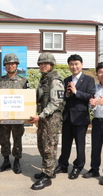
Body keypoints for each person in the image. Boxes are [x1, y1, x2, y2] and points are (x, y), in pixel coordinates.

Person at [55, 54, 95, 179]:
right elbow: (64, 98)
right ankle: (63, 165)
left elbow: (90, 96)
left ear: (81, 65)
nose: (74, 66)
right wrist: (67, 94)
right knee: (65, 143)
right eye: (71, 64)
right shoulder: (66, 80)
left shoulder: (89, 80)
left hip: (80, 118)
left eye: (76, 64)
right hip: (67, 117)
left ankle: (78, 167)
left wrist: (76, 92)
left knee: (80, 145)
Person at [29, 52, 65, 190]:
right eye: (41, 64)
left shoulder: (55, 81)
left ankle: (48, 176)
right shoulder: (44, 80)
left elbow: (55, 103)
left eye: (46, 63)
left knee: (49, 146)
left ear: (52, 65)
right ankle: (47, 169)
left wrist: (41, 115)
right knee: (42, 144)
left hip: (51, 119)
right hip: (43, 118)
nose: (43, 66)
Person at [0, 53, 29, 174]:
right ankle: (6, 160)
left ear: (16, 65)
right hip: (3, 117)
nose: (10, 66)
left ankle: (16, 161)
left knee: (17, 139)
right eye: (8, 64)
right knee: (3, 139)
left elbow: (28, 100)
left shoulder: (23, 81)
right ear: (5, 66)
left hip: (17, 117)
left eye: (13, 63)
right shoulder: (0, 81)